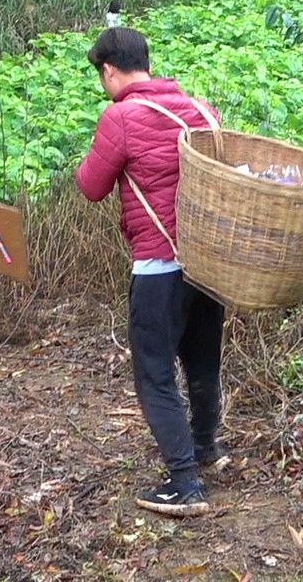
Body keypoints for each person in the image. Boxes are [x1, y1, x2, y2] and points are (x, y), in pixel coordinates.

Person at [75, 27, 224, 518]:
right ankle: (207, 448)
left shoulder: (121, 116)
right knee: (202, 361)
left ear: (109, 71)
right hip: (208, 263)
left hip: (159, 266)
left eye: (101, 75)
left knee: (155, 375)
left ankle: (184, 484)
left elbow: (91, 186)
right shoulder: (201, 110)